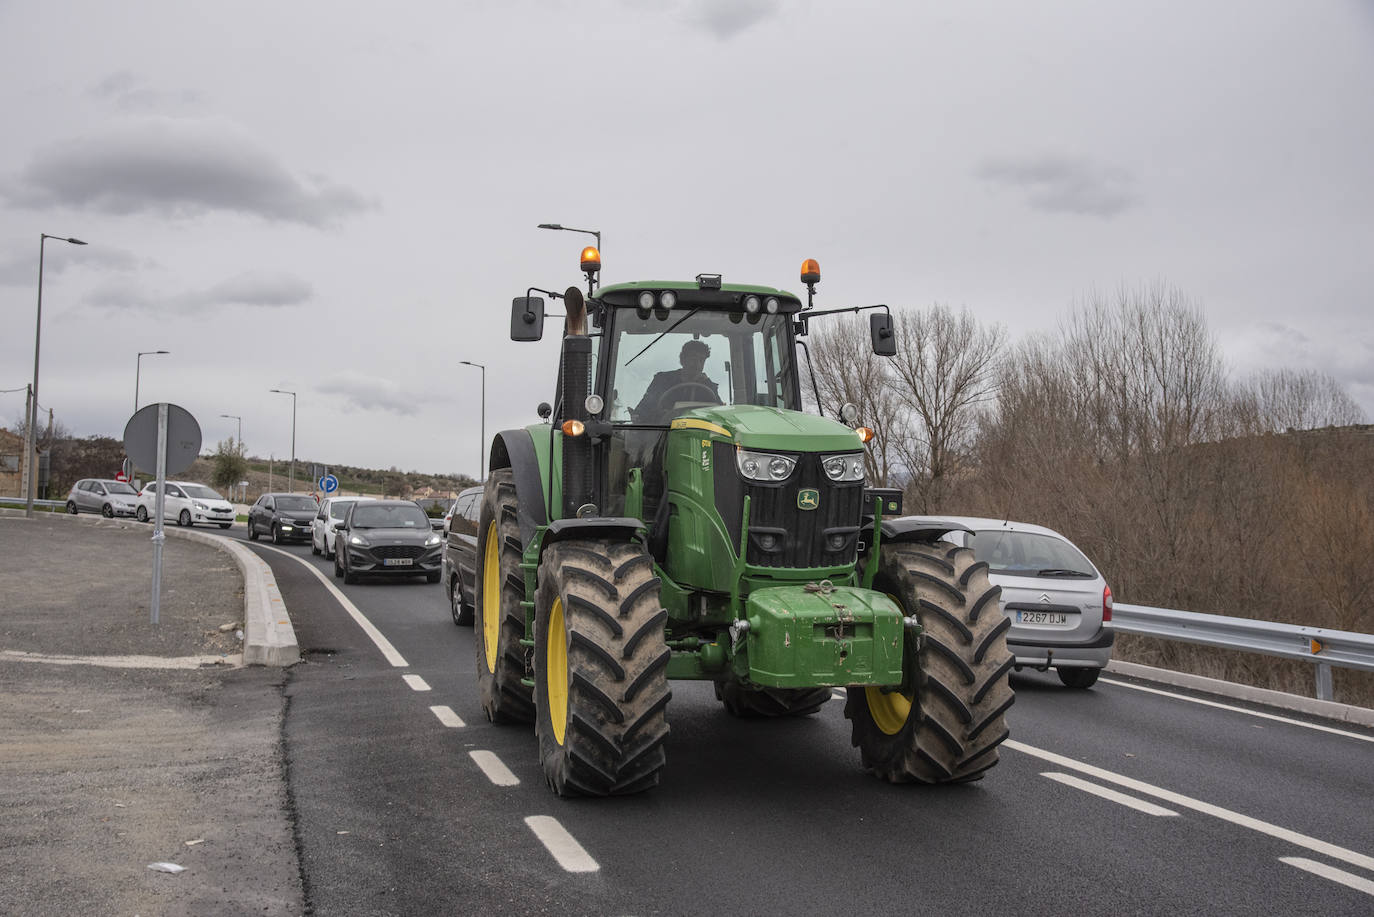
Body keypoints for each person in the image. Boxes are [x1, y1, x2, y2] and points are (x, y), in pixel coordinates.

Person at [631, 339, 720, 423]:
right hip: (662, 434)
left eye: (701, 360)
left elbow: (719, 414)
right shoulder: (662, 380)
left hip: (698, 434)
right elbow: (643, 409)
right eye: (693, 358)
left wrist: (708, 383)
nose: (697, 364)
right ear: (682, 359)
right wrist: (662, 413)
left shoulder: (709, 387)